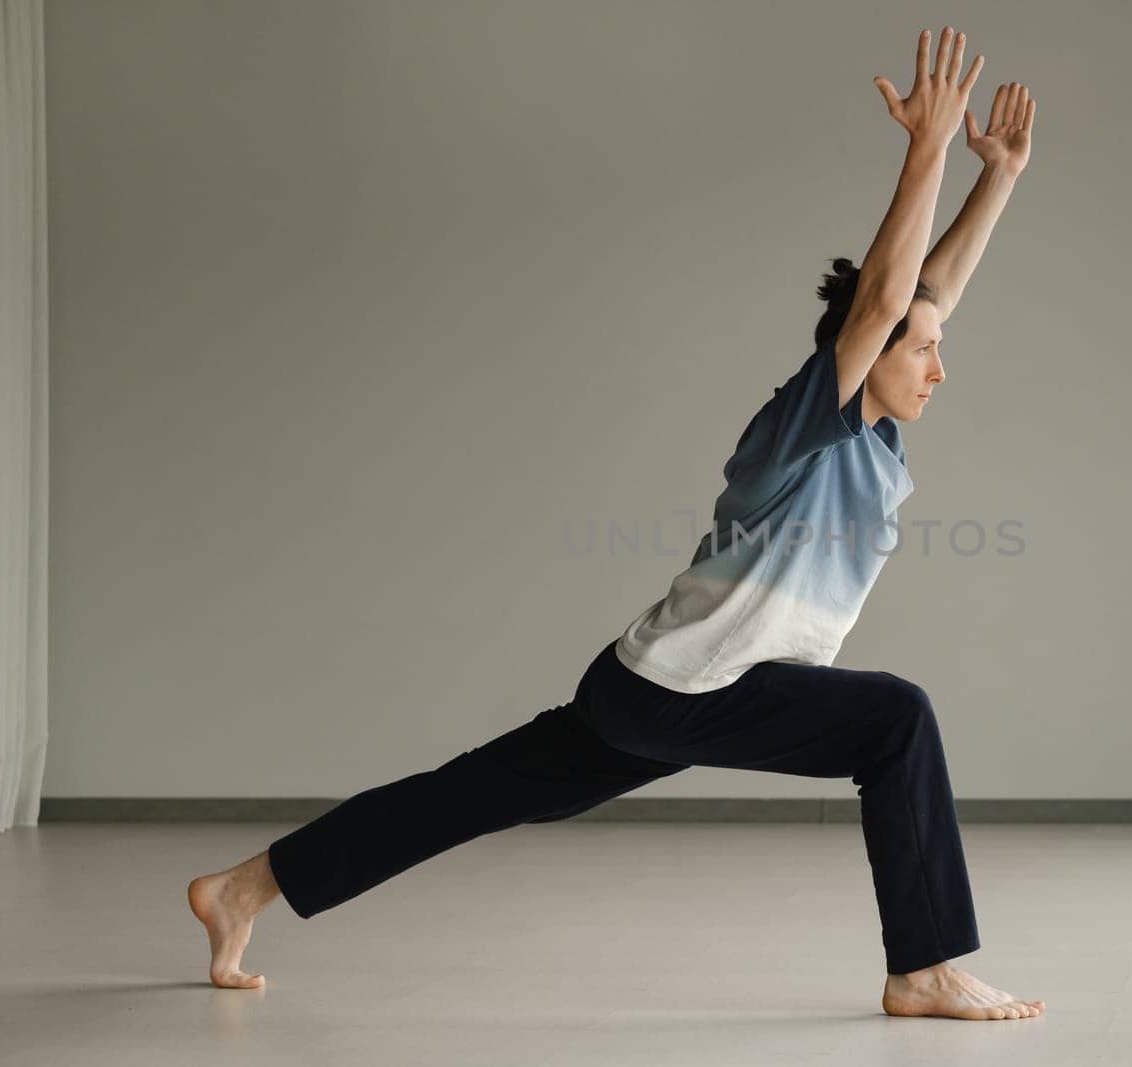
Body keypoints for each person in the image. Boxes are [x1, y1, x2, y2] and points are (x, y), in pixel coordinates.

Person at [189, 25, 1041, 1021]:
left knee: (470, 792)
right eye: (920, 351)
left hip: (654, 685)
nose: (939, 364)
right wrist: (925, 150)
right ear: (861, 352)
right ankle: (923, 966)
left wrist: (999, 178)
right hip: (687, 690)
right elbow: (890, 298)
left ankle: (239, 887)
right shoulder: (801, 428)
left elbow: (922, 296)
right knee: (896, 718)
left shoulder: (874, 441)